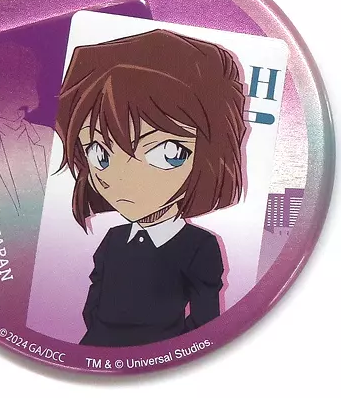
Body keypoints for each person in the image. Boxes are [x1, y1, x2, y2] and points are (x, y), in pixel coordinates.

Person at [54, 29, 247, 347]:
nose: (124, 178)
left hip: (164, 356)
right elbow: (94, 299)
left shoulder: (198, 246)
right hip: (95, 348)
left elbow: (205, 319)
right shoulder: (114, 239)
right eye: (100, 153)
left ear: (210, 155)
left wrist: (166, 355)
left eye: (167, 152)